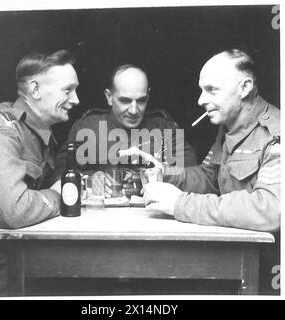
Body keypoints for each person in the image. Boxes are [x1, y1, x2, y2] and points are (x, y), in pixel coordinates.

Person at [143, 49, 280, 232]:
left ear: (245, 88)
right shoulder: (228, 127)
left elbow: (271, 210)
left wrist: (180, 204)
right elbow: (210, 178)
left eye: (212, 90)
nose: (201, 100)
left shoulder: (276, 133)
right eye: (202, 90)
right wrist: (164, 173)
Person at [0, 49, 80, 296]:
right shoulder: (1, 126)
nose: (76, 99)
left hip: (18, 254)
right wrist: (60, 196)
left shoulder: (41, 135)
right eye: (68, 90)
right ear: (35, 90)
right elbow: (17, 210)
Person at [52, 64, 198, 196]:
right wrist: (90, 179)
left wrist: (150, 175)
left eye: (141, 100)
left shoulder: (164, 128)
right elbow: (58, 175)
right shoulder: (88, 127)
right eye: (125, 101)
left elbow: (193, 176)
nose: (134, 110)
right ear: (109, 97)